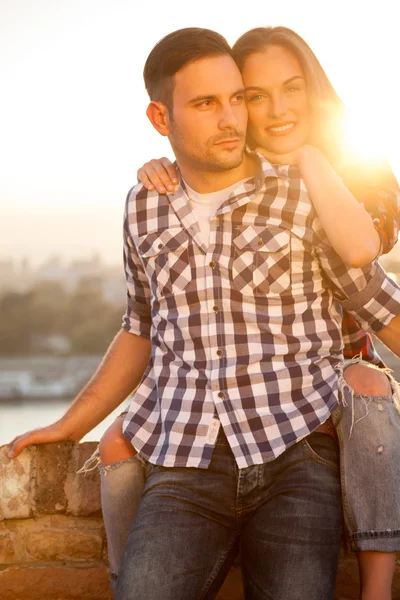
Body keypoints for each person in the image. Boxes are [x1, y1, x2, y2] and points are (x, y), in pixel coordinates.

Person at [7, 27, 400, 600]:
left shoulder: (307, 194)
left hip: (297, 452)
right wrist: (69, 425)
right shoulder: (144, 205)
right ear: (160, 118)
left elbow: (381, 306)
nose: (232, 118)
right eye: (206, 103)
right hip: (185, 463)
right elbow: (139, 329)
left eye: (237, 98)